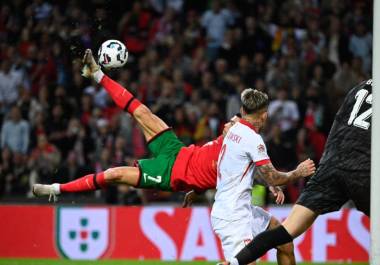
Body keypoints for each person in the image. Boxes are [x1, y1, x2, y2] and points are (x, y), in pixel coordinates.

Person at [33, 49, 297, 264]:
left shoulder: (242, 149)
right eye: (232, 121)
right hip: (179, 151)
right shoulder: (239, 130)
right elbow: (255, 167)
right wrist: (272, 181)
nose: (230, 124)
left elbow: (252, 173)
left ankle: (57, 188)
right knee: (142, 112)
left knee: (116, 174)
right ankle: (98, 74)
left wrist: (271, 182)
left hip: (172, 174)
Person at [223, 79, 372, 265]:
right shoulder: (251, 139)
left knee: (284, 232)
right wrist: (296, 173)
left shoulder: (358, 88)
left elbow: (338, 122)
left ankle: (233, 263)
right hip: (362, 169)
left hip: (330, 166)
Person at [212, 88, 316, 265]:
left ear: (243, 111)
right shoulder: (252, 139)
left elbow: (242, 168)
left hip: (239, 209)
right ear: (265, 115)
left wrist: (268, 183)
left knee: (284, 241)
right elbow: (274, 177)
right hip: (233, 217)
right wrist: (299, 172)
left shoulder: (233, 129)